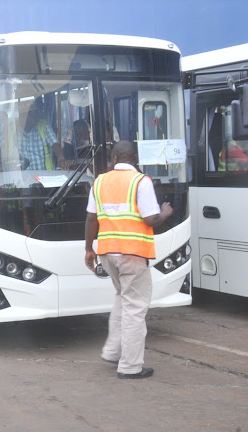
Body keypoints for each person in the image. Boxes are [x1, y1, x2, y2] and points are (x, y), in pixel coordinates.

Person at [84, 141, 172, 379]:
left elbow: (91, 219)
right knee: (135, 308)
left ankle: (113, 352)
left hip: (107, 252)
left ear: (114, 158)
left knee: (123, 298)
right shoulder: (140, 182)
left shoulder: (99, 181)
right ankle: (130, 366)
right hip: (132, 253)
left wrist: (88, 249)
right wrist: (165, 212)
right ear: (135, 158)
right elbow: (151, 219)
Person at [19, 103, 68, 170]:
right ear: (24, 117)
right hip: (21, 178)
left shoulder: (43, 126)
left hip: (42, 176)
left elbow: (55, 144)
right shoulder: (13, 131)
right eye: (33, 115)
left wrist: (61, 158)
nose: (37, 118)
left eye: (37, 114)